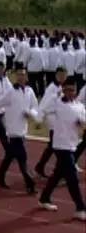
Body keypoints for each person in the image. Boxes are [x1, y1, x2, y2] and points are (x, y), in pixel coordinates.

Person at [36, 78, 86, 220]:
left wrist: (82, 124)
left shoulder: (79, 106)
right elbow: (42, 109)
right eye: (67, 90)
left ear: (76, 91)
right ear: (63, 90)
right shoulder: (56, 102)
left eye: (73, 90)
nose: (70, 93)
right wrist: (39, 120)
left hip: (72, 145)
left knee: (58, 173)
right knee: (72, 177)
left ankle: (44, 198)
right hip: (60, 145)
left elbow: (83, 121)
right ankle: (80, 207)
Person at [0, 68, 39, 194]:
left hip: (22, 130)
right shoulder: (11, 92)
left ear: (26, 77)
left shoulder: (29, 91)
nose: (21, 77)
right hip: (13, 131)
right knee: (23, 159)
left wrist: (30, 113)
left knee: (9, 156)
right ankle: (30, 184)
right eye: (19, 75)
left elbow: (35, 106)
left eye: (23, 74)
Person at [34, 67, 67, 178]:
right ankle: (61, 169)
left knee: (53, 145)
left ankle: (40, 166)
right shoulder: (52, 88)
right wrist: (39, 119)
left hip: (59, 117)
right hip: (52, 117)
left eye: (64, 75)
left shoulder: (62, 87)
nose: (62, 77)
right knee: (57, 144)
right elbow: (44, 104)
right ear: (56, 75)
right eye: (60, 75)